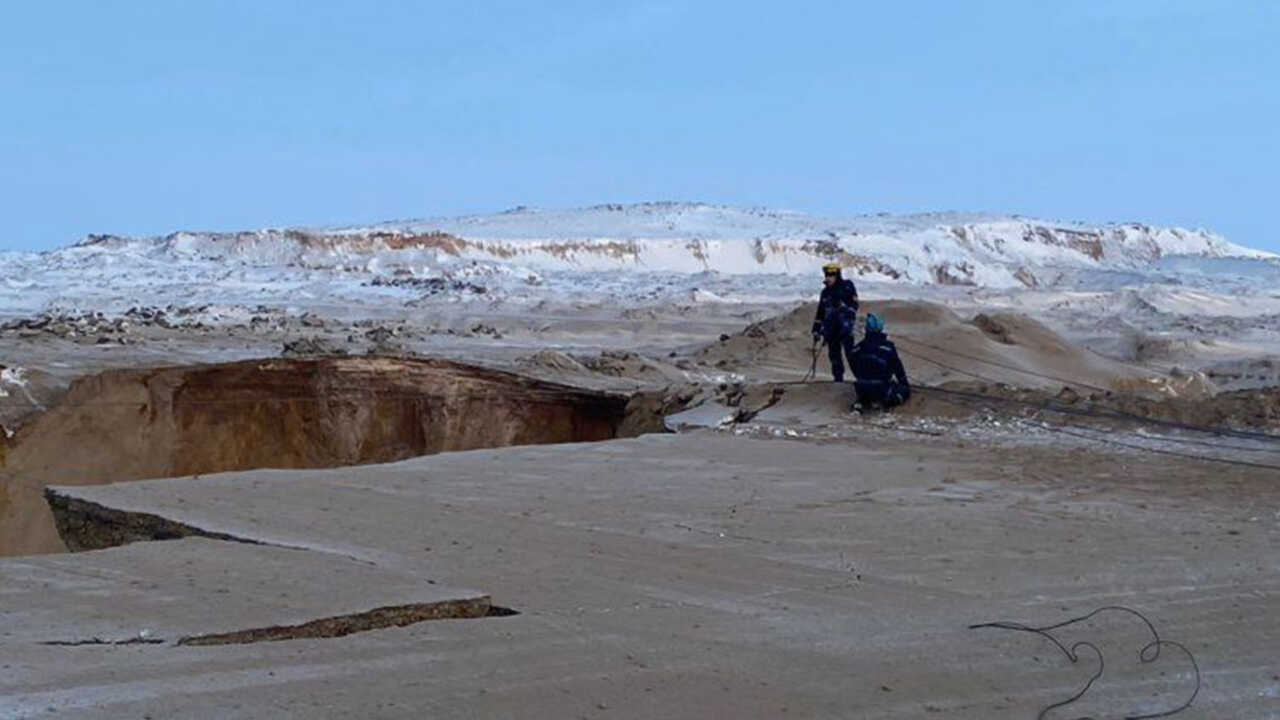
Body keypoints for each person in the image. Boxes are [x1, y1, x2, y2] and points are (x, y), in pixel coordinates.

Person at [851, 314, 911, 410]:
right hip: (881, 387)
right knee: (904, 390)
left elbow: (854, 367)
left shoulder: (857, 348)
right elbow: (898, 369)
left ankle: (863, 401)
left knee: (866, 386)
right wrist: (904, 384)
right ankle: (889, 401)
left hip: (861, 387)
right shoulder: (889, 348)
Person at [811, 263, 859, 382]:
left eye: (831, 275)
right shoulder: (825, 293)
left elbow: (855, 305)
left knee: (852, 356)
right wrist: (816, 329)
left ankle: (862, 379)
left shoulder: (847, 287)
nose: (828, 278)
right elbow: (820, 312)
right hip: (831, 330)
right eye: (827, 275)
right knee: (834, 357)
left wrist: (844, 308)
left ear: (837, 275)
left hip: (845, 329)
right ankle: (838, 381)